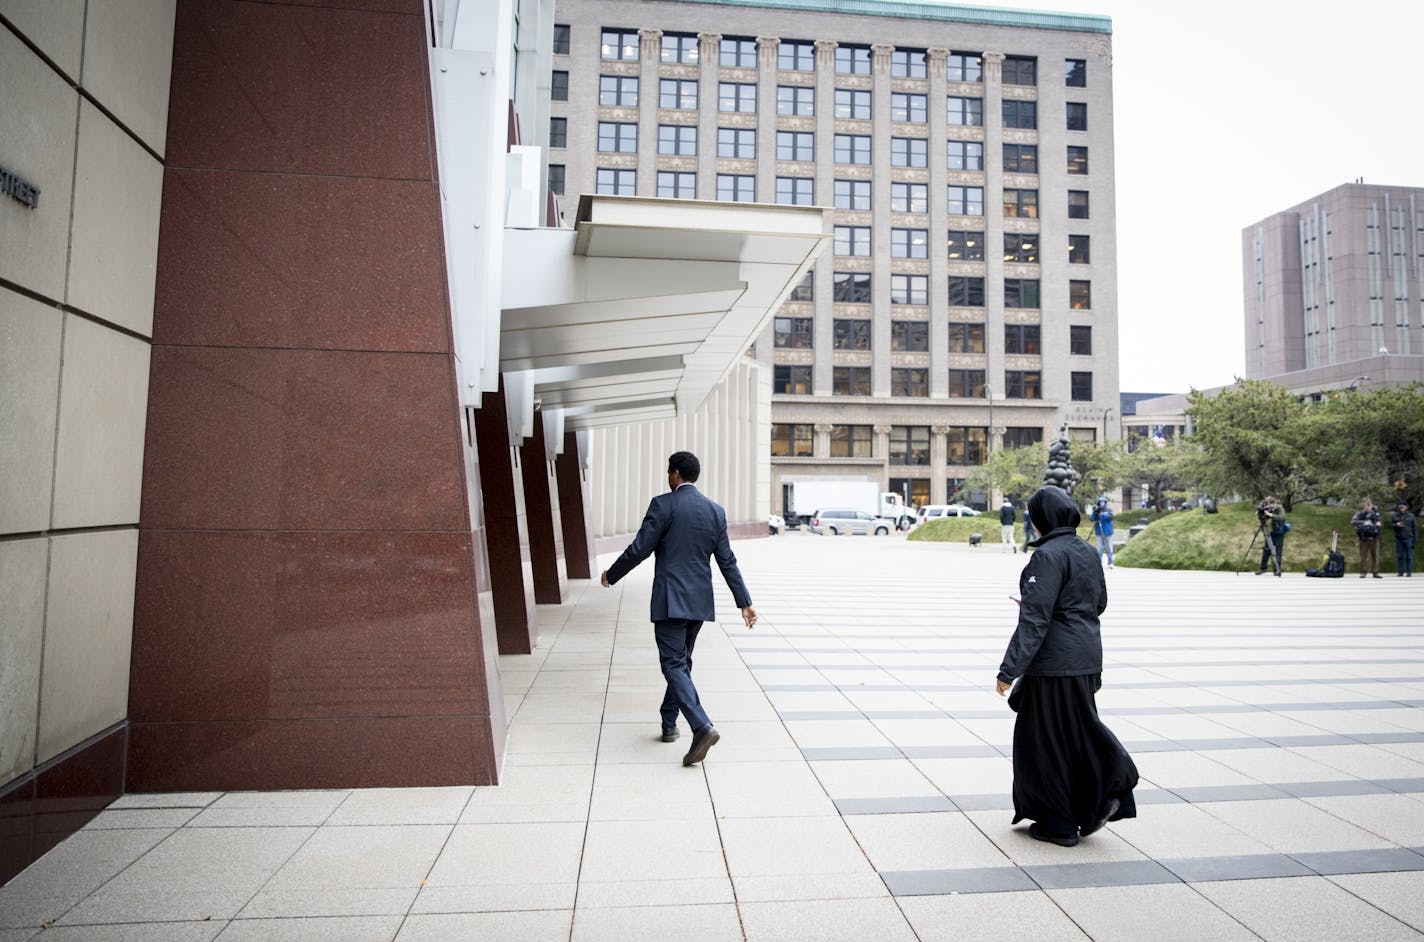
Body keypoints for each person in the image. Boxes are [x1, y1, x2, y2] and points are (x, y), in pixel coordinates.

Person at [995, 486, 1137, 847]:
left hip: (1054, 665)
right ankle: (1091, 801)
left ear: (1042, 518)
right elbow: (1098, 603)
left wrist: (1007, 671)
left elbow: (1035, 621)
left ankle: (1066, 818)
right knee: (1073, 733)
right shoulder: (1087, 551)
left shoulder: (1047, 557)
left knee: (1045, 743)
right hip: (1086, 657)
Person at [602, 451, 757, 766]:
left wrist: (612, 574)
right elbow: (726, 560)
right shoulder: (715, 511)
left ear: (674, 474)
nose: (667, 478)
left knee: (673, 665)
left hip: (670, 600)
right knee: (682, 663)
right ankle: (668, 722)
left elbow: (640, 548)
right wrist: (745, 602)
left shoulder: (664, 504)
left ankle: (701, 726)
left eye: (668, 473)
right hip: (699, 602)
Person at [1255, 496, 1286, 577]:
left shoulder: (1279, 508)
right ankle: (1263, 568)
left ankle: (1277, 570)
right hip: (1271, 532)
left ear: (1271, 502)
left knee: (1278, 552)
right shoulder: (1270, 508)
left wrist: (1271, 514)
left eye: (1267, 503)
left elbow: (1282, 517)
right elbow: (1266, 517)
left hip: (1279, 533)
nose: (1267, 505)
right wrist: (1260, 513)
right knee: (1266, 550)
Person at [1352, 499, 1383, 579]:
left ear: (1372, 506)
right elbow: (1353, 521)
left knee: (1375, 556)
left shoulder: (1376, 514)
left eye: (1369, 506)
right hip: (1364, 538)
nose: (1368, 508)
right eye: (1367, 506)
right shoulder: (1360, 514)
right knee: (1363, 556)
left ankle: (1375, 572)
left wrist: (1378, 524)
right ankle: (1363, 571)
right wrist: (1363, 522)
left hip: (1374, 538)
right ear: (1364, 506)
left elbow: (1380, 524)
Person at [1391, 501, 1416, 577]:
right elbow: (1391, 525)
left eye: (1403, 507)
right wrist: (1396, 524)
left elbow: (1414, 528)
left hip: (1408, 538)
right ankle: (1400, 571)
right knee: (1400, 556)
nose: (1402, 508)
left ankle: (1409, 572)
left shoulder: (1411, 516)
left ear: (1406, 507)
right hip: (1399, 538)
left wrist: (1414, 540)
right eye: (1401, 507)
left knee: (1409, 556)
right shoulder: (1395, 515)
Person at [1090, 498, 1115, 569]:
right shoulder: (1097, 510)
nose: (1102, 503)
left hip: (1108, 532)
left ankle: (1110, 562)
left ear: (1105, 502)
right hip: (1099, 532)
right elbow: (1092, 519)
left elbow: (1110, 517)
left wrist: (1102, 514)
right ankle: (1099, 563)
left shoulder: (1108, 510)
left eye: (1103, 502)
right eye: (1100, 502)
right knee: (1100, 549)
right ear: (1098, 503)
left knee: (1109, 548)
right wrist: (1094, 512)